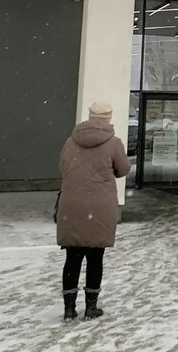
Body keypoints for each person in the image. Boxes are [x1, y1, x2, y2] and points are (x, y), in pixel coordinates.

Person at [56, 102, 130, 322]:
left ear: (89, 117)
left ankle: (69, 309)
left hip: (72, 205)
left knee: (72, 258)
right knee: (95, 257)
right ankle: (91, 308)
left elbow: (62, 166)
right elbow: (123, 169)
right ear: (108, 118)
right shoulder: (114, 143)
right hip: (99, 206)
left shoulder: (71, 141)